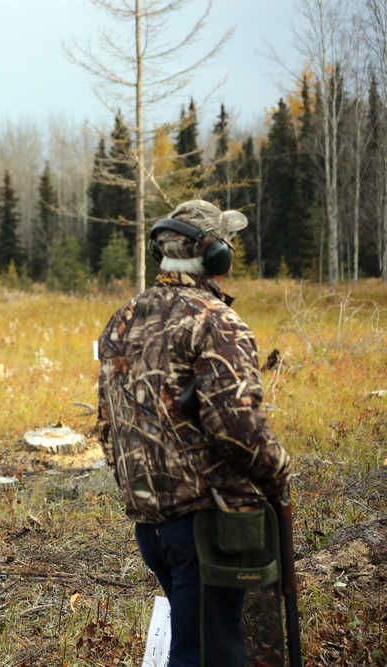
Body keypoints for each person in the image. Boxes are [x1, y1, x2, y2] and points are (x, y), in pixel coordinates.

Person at [97, 200, 291, 666]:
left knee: (201, 643)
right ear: (216, 255)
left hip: (151, 529)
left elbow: (107, 428)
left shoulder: (124, 317)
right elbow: (238, 431)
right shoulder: (216, 321)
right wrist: (280, 470)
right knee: (208, 655)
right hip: (210, 526)